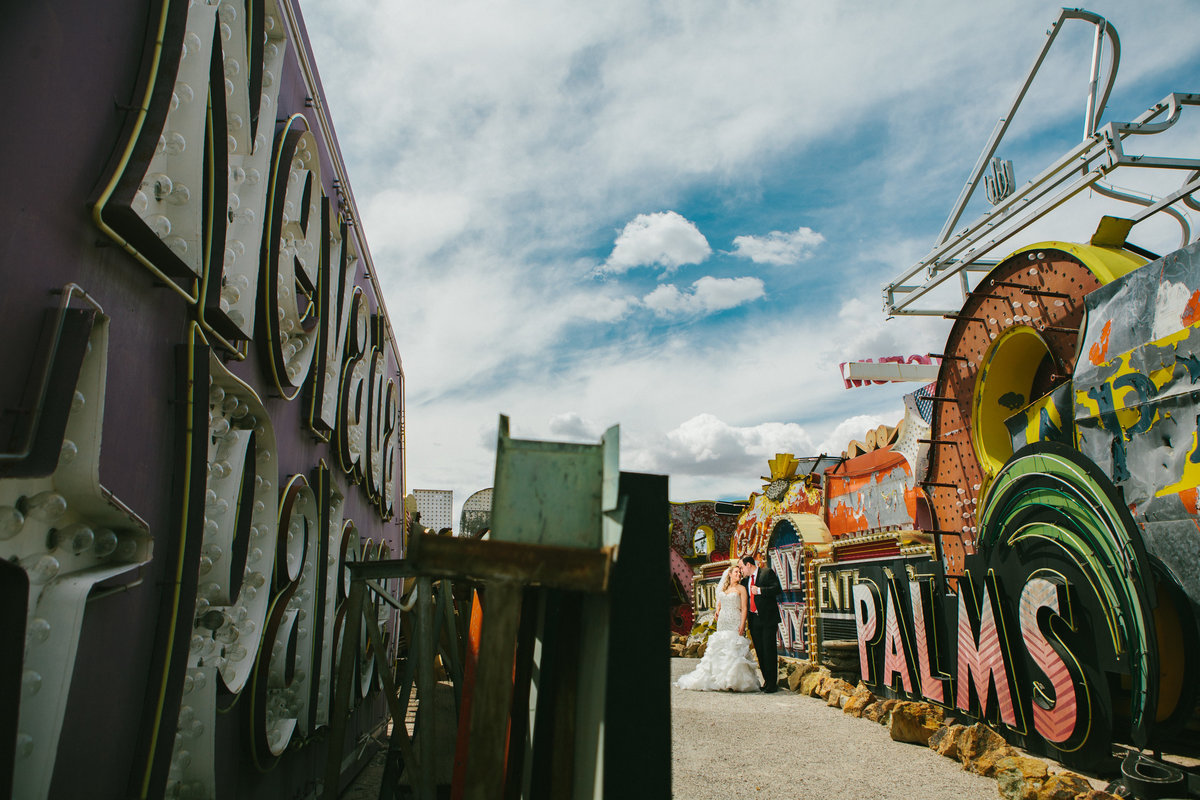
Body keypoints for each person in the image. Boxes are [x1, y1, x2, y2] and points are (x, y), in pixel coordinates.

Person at [675, 563, 760, 692]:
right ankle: (719, 679)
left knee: (733, 648)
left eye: (739, 572)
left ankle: (733, 681)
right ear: (730, 574)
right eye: (736, 572)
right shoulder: (724, 589)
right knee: (721, 647)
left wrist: (743, 624)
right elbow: (720, 601)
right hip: (723, 620)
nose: (738, 574)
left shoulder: (741, 589)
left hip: (734, 619)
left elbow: (744, 608)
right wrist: (718, 609)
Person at [740, 554, 782, 692]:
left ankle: (772, 683)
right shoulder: (745, 581)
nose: (741, 571)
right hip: (754, 619)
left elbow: (777, 589)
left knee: (769, 650)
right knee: (760, 651)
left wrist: (759, 590)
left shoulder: (766, 573)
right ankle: (766, 681)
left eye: (741, 567)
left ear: (748, 565)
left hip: (768, 618)